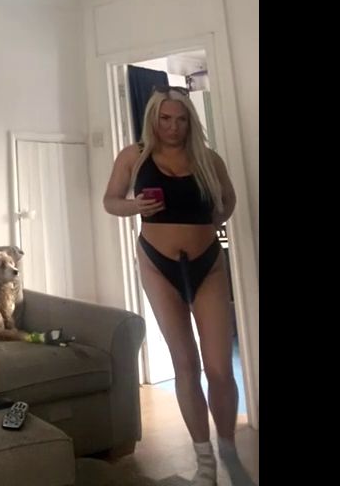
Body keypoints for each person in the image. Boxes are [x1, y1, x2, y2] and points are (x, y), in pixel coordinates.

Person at [103, 86, 254, 486]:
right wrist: (133, 206)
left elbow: (229, 199)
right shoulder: (134, 156)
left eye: (181, 119)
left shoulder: (208, 158)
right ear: (154, 119)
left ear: (191, 121)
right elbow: (110, 201)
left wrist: (215, 219)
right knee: (185, 364)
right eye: (165, 118)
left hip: (208, 264)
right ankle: (204, 463)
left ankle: (227, 449)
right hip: (157, 264)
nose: (173, 127)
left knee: (219, 368)